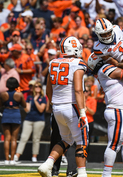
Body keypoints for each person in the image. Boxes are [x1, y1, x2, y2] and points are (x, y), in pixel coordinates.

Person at [38, 37, 88, 177]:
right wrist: (83, 112)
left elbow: (48, 89)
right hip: (71, 107)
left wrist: (53, 104)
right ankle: (82, 173)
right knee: (82, 141)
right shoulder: (78, 63)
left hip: (57, 107)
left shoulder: (53, 62)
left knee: (66, 140)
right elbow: (78, 90)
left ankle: (47, 164)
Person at [15, 81, 47, 162]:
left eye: (38, 86)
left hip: (39, 120)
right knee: (23, 137)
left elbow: (41, 110)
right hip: (29, 119)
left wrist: (35, 101)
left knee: (36, 139)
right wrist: (24, 102)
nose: (37, 88)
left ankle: (34, 156)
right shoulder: (29, 97)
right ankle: (17, 155)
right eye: (35, 86)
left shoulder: (43, 98)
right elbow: (27, 110)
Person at [0, 77, 26, 165]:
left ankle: (6, 159)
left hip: (6, 113)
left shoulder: (3, 94)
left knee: (7, 138)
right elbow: (24, 105)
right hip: (15, 114)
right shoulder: (19, 94)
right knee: (14, 138)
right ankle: (12, 160)